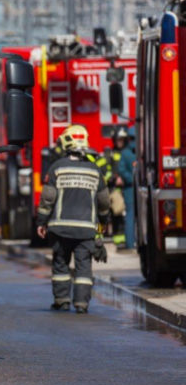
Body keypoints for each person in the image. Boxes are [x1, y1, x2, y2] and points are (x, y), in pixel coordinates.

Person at [36, 124, 110, 314]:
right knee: (84, 268)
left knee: (60, 264)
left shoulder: (57, 168)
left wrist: (41, 222)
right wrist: (104, 225)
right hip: (86, 231)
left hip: (60, 229)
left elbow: (47, 199)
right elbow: (103, 202)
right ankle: (81, 304)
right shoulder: (95, 170)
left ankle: (62, 300)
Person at [116, 126, 136, 250]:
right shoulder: (144, 150)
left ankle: (130, 243)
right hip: (141, 186)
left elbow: (121, 170)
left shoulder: (125, 153)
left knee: (130, 215)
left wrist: (131, 179)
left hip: (130, 188)